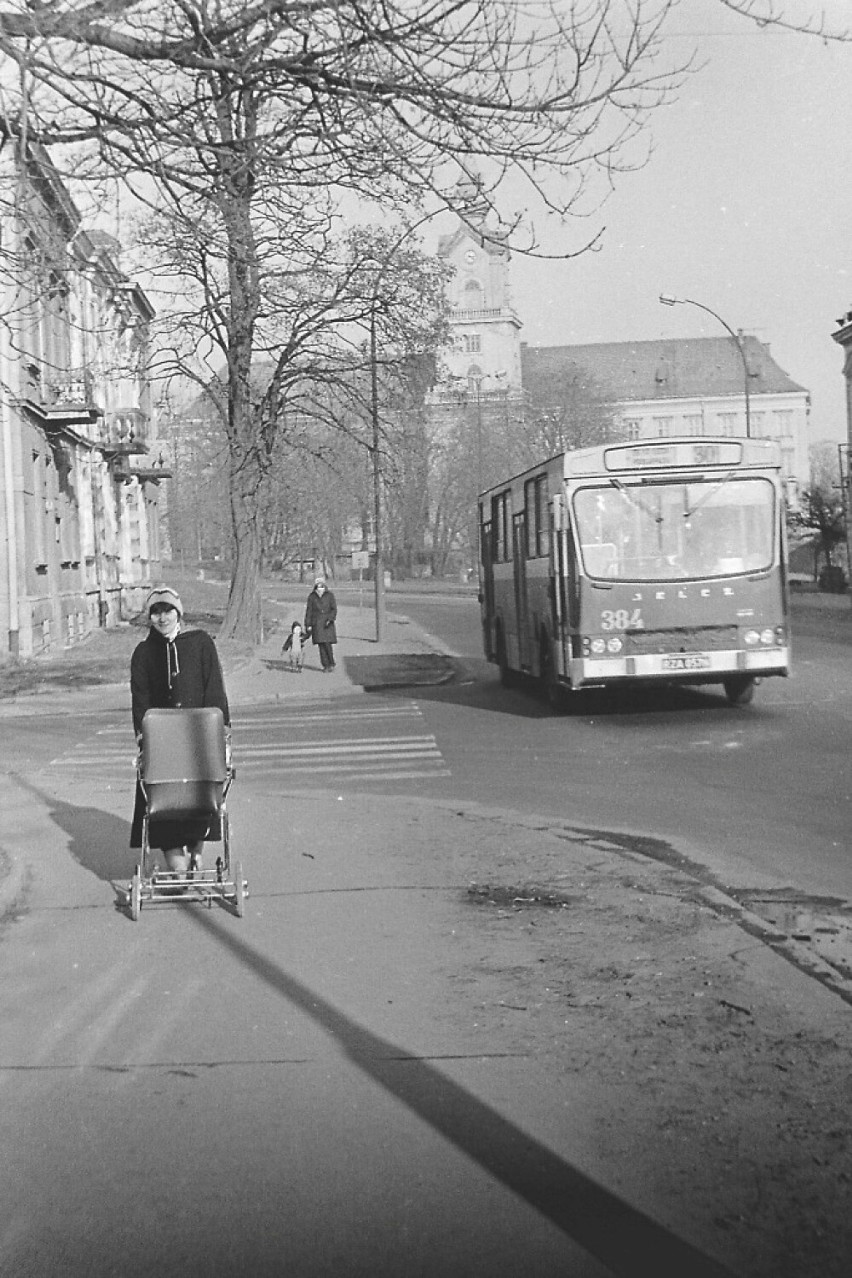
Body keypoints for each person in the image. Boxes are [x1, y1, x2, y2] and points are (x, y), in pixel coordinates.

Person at [129, 584, 230, 877]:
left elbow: (214, 688)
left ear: (178, 613)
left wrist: (221, 728)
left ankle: (197, 850)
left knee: (200, 795)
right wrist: (143, 736)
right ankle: (178, 863)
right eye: (156, 612)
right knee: (162, 799)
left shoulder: (199, 643)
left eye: (167, 611)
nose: (162, 618)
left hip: (198, 737)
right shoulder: (144, 653)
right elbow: (141, 700)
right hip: (163, 743)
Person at [304, 575, 337, 672]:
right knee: (321, 645)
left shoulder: (330, 595)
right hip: (317, 623)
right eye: (318, 585)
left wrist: (330, 619)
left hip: (327, 623)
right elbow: (309, 611)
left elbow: (334, 609)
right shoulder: (312, 596)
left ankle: (331, 662)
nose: (320, 587)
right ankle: (325, 665)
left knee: (327, 644)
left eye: (321, 585)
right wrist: (308, 624)